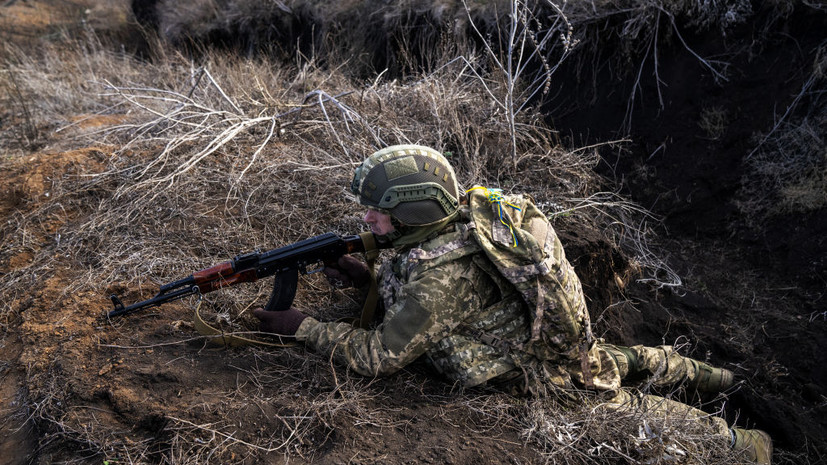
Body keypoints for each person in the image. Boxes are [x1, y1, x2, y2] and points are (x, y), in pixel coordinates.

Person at [253, 145, 772, 464]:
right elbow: (416, 287)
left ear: (412, 209)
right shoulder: (451, 226)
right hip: (532, 332)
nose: (366, 218)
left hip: (533, 368)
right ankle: (725, 380)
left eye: (376, 210)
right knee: (622, 360)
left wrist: (303, 327)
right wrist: (366, 279)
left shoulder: (442, 276)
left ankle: (746, 446)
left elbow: (377, 358)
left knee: (625, 410)